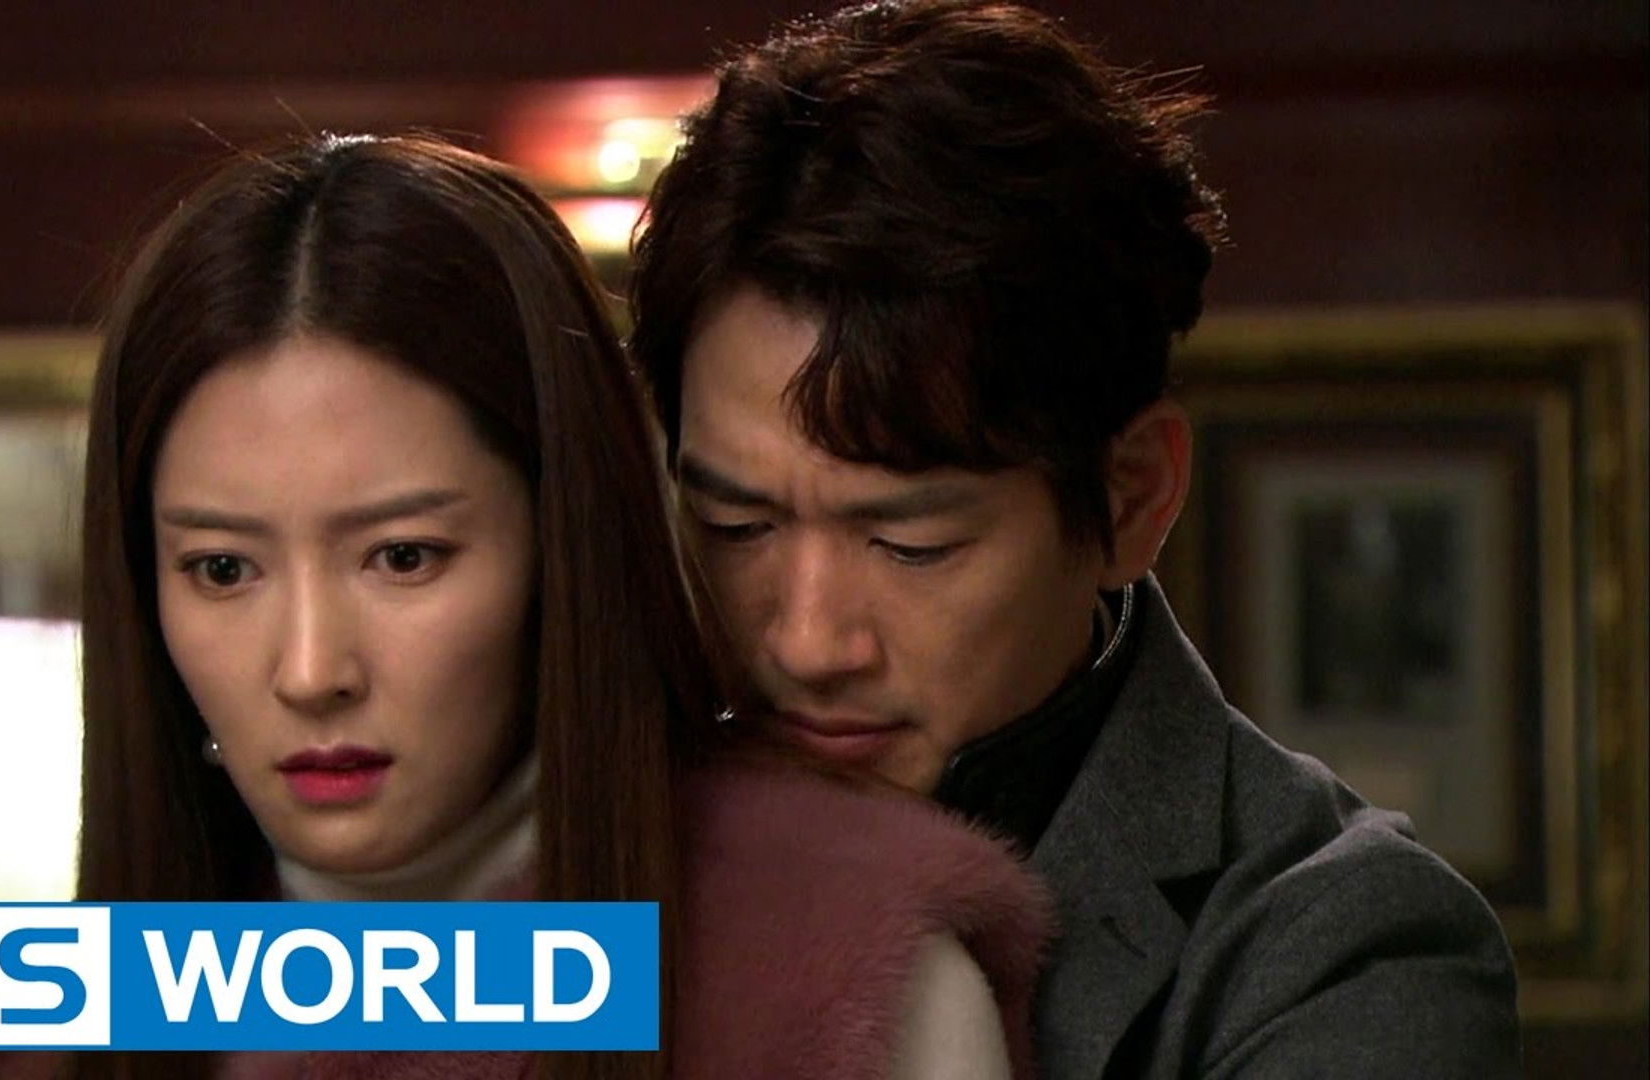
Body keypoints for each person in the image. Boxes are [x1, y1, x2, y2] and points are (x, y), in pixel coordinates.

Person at [0, 133, 1050, 1080]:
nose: (311, 670)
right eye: (223, 570)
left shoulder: (839, 967)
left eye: (403, 557)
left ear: (560, 546)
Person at [626, 2, 1523, 1076]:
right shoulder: (593, 839)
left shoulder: (1348, 957)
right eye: (735, 525)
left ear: (1133, 498)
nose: (807, 641)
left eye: (911, 543)